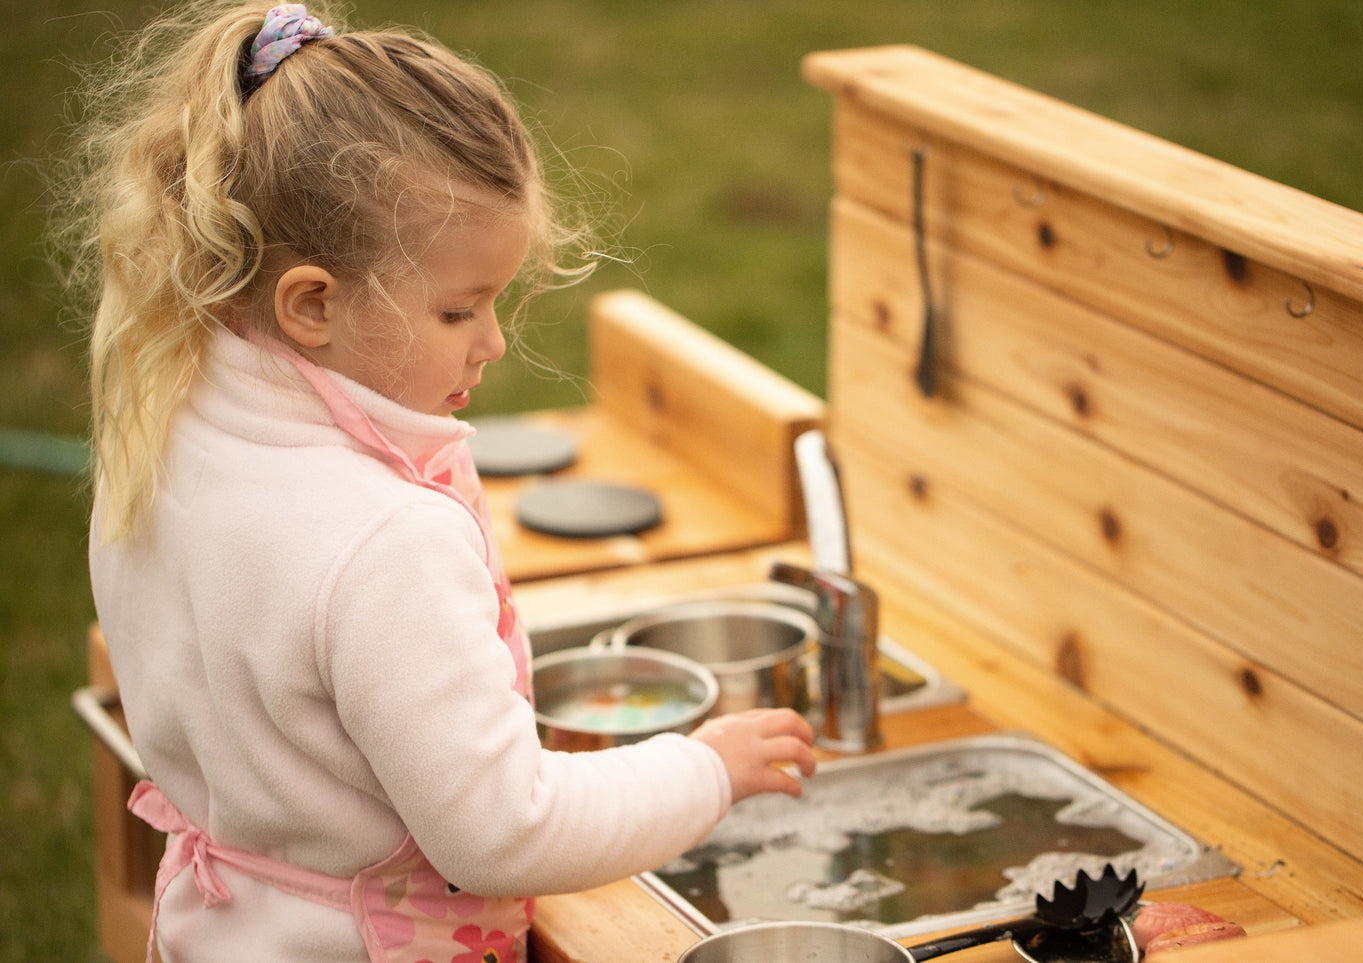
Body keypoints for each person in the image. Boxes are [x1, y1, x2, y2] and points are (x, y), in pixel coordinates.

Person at [67, 3, 817, 961]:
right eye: (460, 309)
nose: (494, 341)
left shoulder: (163, 435)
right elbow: (503, 829)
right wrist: (703, 768)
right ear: (311, 304)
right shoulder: (384, 542)